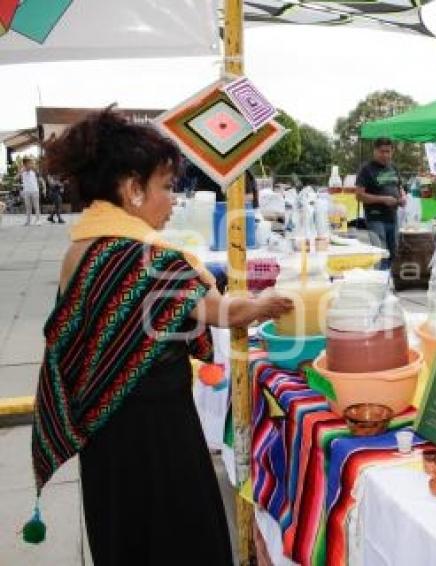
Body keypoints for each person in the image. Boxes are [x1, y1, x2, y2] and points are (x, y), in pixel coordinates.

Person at [28, 108, 293, 561]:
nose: (173, 200)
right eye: (166, 187)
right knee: (183, 542)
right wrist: (267, 305)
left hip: (103, 437)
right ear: (132, 189)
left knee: (126, 542)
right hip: (158, 435)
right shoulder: (144, 259)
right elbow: (219, 312)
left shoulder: (77, 250)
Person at [355, 138, 406, 269]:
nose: (385, 155)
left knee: (394, 252)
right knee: (380, 253)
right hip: (375, 218)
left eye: (388, 152)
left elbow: (400, 187)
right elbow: (359, 195)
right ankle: (381, 283)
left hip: (392, 217)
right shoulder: (366, 169)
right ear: (375, 151)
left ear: (392, 152)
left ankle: (392, 283)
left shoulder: (393, 167)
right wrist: (383, 199)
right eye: (382, 152)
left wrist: (402, 197)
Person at [19, 157, 41, 225]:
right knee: (28, 207)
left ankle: (38, 220)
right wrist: (22, 170)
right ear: (25, 164)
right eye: (28, 163)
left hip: (34, 190)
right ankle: (28, 221)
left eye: (30, 163)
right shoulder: (22, 170)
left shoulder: (34, 170)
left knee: (36, 206)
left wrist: (33, 167)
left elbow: (37, 172)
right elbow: (18, 176)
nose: (29, 164)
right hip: (26, 191)